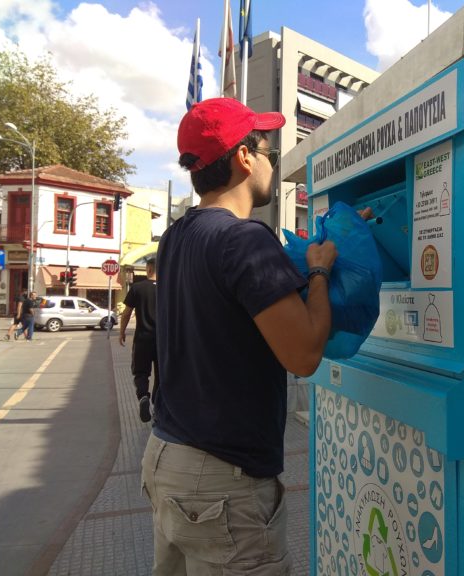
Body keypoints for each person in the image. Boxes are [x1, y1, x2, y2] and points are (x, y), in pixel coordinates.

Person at [141, 98, 341, 575]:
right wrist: (318, 273)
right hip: (221, 483)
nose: (273, 162)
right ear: (244, 157)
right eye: (268, 151)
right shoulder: (244, 238)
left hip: (167, 458)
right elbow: (305, 353)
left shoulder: (176, 237)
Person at [119, 259, 158, 423]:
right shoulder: (170, 288)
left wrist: (122, 332)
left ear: (148, 269)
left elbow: (126, 313)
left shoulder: (137, 288)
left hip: (142, 339)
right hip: (163, 341)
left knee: (141, 372)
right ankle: (158, 407)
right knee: (162, 375)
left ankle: (143, 396)